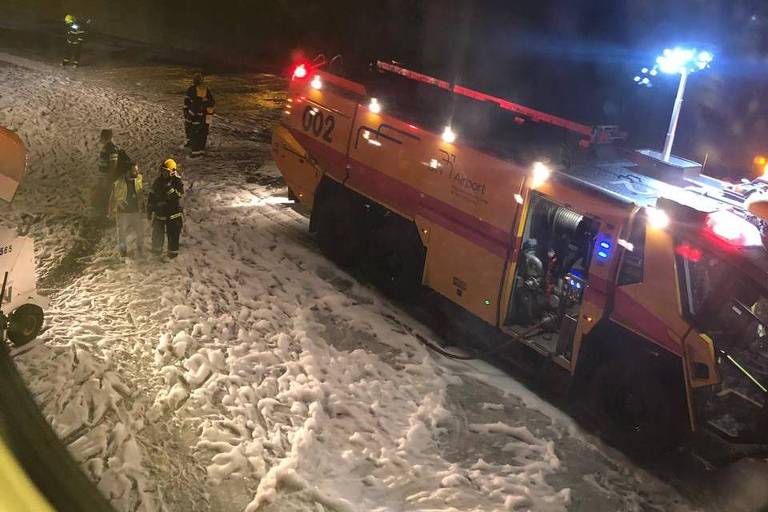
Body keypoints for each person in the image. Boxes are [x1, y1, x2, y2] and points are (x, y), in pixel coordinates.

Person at [147, 159, 184, 259]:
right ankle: (156, 252)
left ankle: (172, 256)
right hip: (159, 213)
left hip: (173, 215)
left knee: (173, 236)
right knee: (157, 234)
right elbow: (152, 196)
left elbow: (178, 196)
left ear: (172, 171)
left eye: (166, 171)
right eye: (163, 171)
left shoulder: (177, 182)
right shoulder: (157, 182)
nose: (164, 173)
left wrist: (169, 188)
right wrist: (149, 210)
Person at [109, 163, 145, 258]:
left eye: (137, 170)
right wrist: (111, 210)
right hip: (123, 213)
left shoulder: (138, 178)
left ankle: (140, 248)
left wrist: (143, 205)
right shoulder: (119, 182)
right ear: (128, 172)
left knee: (140, 231)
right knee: (121, 235)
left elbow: (140, 193)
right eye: (134, 170)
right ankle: (123, 251)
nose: (137, 172)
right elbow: (113, 197)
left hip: (135, 211)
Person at [184, 73, 215, 155]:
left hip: (195, 115)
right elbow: (212, 102)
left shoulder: (191, 90)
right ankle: (200, 148)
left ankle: (195, 150)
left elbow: (187, 103)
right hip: (206, 115)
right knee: (203, 131)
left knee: (193, 130)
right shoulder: (206, 90)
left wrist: (187, 113)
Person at [95, 129, 119, 220]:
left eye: (101, 137)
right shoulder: (107, 147)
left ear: (105, 137)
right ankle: (103, 214)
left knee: (106, 195)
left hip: (107, 176)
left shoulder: (112, 148)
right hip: (103, 174)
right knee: (102, 193)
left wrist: (109, 177)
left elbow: (113, 164)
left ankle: (105, 215)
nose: (100, 138)